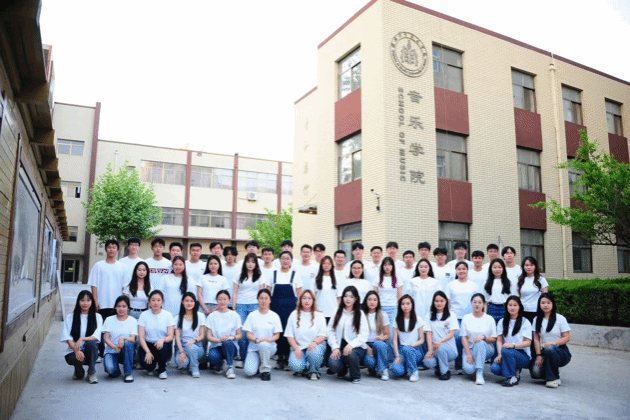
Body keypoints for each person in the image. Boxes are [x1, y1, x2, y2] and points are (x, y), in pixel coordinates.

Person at [88, 238, 126, 358]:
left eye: (114, 247)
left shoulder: (122, 266)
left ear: (117, 250)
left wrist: (124, 304)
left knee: (115, 329)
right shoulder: (98, 266)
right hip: (102, 303)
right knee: (100, 329)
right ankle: (100, 353)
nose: (111, 249)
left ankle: (114, 351)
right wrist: (95, 300)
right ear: (106, 249)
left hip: (117, 305)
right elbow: (93, 284)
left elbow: (125, 287)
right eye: (109, 247)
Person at [266, 250, 303, 370]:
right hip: (275, 308)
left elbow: (299, 294)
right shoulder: (273, 274)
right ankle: (279, 358)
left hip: (290, 309)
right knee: (277, 331)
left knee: (288, 332)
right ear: (279, 260)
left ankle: (287, 358)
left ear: (291, 261)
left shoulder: (295, 274)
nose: (285, 261)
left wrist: (299, 310)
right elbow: (267, 292)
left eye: (288, 259)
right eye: (283, 258)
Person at [327, 286, 369, 384]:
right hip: (340, 345)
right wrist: (335, 347)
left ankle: (355, 376)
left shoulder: (360, 314)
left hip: (357, 347)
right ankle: (342, 370)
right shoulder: (337, 311)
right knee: (333, 363)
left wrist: (351, 345)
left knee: (351, 353)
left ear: (356, 299)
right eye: (346, 296)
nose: (348, 299)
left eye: (351, 296)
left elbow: (364, 334)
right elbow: (330, 331)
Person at [445, 261, 481, 373]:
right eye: (459, 269)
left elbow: (478, 301)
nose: (461, 271)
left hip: (470, 317)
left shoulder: (473, 285)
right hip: (455, 317)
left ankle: (472, 362)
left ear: (467, 270)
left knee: (471, 339)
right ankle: (459, 364)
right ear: (456, 271)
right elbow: (447, 302)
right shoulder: (451, 285)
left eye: (464, 269)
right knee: (458, 338)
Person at [60, 290, 103, 384]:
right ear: (78, 302)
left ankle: (91, 372)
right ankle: (78, 370)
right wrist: (76, 350)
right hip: (73, 351)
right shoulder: (70, 317)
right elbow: (68, 337)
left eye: (88, 300)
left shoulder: (98, 317)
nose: (85, 303)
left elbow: (96, 336)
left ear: (92, 302)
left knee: (92, 343)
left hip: (90, 352)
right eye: (82, 300)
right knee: (78, 371)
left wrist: (81, 339)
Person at [530, 293, 571, 388]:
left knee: (550, 348)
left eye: (548, 303)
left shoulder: (560, 318)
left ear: (553, 304)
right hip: (545, 351)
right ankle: (553, 370)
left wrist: (554, 343)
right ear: (539, 304)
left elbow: (567, 338)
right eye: (543, 303)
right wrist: (538, 355)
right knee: (535, 372)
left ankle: (553, 379)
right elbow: (536, 339)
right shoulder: (536, 319)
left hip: (561, 351)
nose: (545, 305)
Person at [285, 290, 327, 380]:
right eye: (304, 298)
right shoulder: (294, 314)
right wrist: (296, 349)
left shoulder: (319, 315)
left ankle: (313, 371)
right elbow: (289, 335)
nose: (306, 301)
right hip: (299, 347)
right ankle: (305, 366)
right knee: (296, 366)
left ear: (313, 300)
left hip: (314, 346)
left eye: (309, 298)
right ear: (300, 300)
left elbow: (323, 335)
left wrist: (315, 342)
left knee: (314, 352)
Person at [491, 296, 532, 387]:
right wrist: (500, 354)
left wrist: (513, 345)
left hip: (522, 355)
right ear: (506, 307)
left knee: (507, 351)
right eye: (510, 305)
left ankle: (512, 377)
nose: (512, 307)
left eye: (515, 305)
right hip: (506, 352)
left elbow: (528, 342)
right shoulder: (502, 321)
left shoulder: (525, 322)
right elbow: (499, 340)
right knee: (494, 368)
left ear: (519, 307)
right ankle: (514, 370)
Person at [243, 289, 283, 381]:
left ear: (270, 300)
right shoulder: (252, 315)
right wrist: (256, 340)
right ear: (257, 300)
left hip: (268, 347)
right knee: (249, 372)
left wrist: (268, 340)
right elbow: (248, 334)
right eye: (261, 298)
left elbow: (277, 335)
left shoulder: (274, 316)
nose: (263, 301)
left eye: (266, 298)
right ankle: (259, 363)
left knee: (264, 345)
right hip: (254, 348)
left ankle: (265, 370)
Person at [232, 252, 264, 366]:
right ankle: (243, 358)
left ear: (256, 264)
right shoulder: (239, 275)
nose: (250, 264)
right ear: (245, 263)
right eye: (248, 262)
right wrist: (234, 307)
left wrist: (262, 308)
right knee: (243, 334)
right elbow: (234, 292)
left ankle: (255, 359)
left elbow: (262, 293)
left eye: (253, 262)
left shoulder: (260, 276)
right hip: (241, 306)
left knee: (254, 333)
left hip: (255, 306)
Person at [460, 293, 497, 385]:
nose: (477, 304)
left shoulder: (489, 319)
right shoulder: (466, 318)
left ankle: (479, 372)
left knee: (479, 343)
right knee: (469, 370)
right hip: (470, 348)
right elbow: (464, 337)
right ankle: (476, 365)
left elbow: (494, 338)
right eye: (475, 302)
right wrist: (469, 354)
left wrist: (484, 338)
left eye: (480, 302)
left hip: (486, 348)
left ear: (484, 304)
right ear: (471, 303)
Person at [138, 290, 175, 379]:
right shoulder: (144, 315)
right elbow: (141, 337)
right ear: (149, 302)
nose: (156, 303)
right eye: (153, 300)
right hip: (149, 345)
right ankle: (152, 366)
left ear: (162, 302)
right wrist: (147, 352)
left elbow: (170, 336)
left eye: (158, 300)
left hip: (162, 345)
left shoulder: (168, 315)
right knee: (148, 366)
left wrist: (163, 340)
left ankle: (162, 369)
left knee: (162, 347)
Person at [206, 290, 242, 379]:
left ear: (229, 300)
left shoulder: (235, 315)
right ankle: (219, 364)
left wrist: (230, 338)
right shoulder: (212, 316)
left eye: (225, 299)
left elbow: (239, 335)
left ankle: (230, 367)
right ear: (216, 301)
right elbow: (209, 336)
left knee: (227, 343)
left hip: (230, 345)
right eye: (220, 299)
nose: (222, 302)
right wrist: (219, 340)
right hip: (216, 345)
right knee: (212, 356)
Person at [423, 291, 459, 380]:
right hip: (435, 348)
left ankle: (445, 372)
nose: (439, 303)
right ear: (433, 302)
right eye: (436, 301)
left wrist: (440, 341)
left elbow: (451, 333)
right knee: (428, 362)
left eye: (441, 301)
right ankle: (439, 367)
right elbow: (429, 334)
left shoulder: (451, 315)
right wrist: (430, 350)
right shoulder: (429, 315)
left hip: (450, 350)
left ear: (446, 302)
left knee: (440, 347)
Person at [102, 295, 137, 383]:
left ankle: (128, 373)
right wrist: (115, 347)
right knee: (111, 370)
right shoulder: (109, 319)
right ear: (115, 307)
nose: (121, 309)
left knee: (128, 343)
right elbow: (106, 339)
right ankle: (116, 370)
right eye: (119, 306)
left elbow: (132, 339)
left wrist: (123, 338)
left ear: (128, 308)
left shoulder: (132, 320)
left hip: (126, 350)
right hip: (111, 350)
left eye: (124, 306)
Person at [390, 295, 425, 382]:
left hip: (415, 349)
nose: (405, 306)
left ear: (412, 305)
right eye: (403, 304)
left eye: (408, 304)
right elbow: (394, 340)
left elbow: (422, 340)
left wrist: (412, 345)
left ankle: (414, 371)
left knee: (407, 349)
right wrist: (397, 355)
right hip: (402, 349)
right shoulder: (397, 320)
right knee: (395, 370)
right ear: (400, 306)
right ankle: (406, 368)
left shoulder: (418, 319)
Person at [361, 291, 392, 380]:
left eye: (375, 300)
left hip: (378, 344)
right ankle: (372, 368)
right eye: (370, 299)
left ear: (378, 302)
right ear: (366, 301)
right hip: (365, 344)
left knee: (379, 344)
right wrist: (367, 347)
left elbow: (387, 335)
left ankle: (384, 370)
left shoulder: (383, 314)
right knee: (370, 362)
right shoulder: (361, 314)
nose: (372, 302)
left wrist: (380, 338)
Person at [174, 292, 206, 378]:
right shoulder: (177, 318)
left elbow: (202, 336)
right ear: (182, 302)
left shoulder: (200, 316)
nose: (189, 303)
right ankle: (189, 363)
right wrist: (181, 352)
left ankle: (194, 368)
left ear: (195, 303)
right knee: (181, 363)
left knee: (191, 348)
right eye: (186, 301)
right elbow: (177, 338)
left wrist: (193, 341)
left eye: (191, 301)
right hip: (183, 346)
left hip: (197, 346)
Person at [372, 256, 403, 345]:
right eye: (385, 265)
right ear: (382, 266)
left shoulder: (397, 279)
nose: (387, 267)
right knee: (381, 332)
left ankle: (392, 353)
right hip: (381, 308)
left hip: (393, 308)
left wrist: (399, 310)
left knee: (392, 334)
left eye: (389, 265)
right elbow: (375, 295)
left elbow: (399, 296)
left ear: (393, 266)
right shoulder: (377, 278)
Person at [518, 256, 549, 322]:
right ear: (523, 267)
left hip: (536, 310)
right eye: (526, 265)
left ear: (535, 266)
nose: (529, 267)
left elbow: (545, 296)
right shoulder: (520, 280)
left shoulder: (541, 279)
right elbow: (518, 295)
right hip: (522, 310)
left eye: (531, 265)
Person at [483, 258, 514, 323]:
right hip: (491, 309)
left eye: (499, 267)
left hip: (505, 308)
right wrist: (485, 315)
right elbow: (485, 301)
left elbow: (511, 299)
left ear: (503, 269)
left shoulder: (508, 282)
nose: (497, 269)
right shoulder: (487, 283)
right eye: (494, 267)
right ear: (491, 269)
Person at [313, 256, 338, 321]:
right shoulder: (316, 279)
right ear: (321, 265)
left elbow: (339, 297)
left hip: (333, 312)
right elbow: (313, 296)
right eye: (324, 263)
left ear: (332, 265)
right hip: (319, 311)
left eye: (329, 264)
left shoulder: (336, 279)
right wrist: (315, 308)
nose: (326, 265)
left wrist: (338, 310)